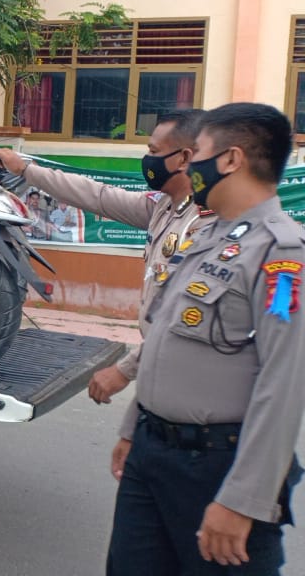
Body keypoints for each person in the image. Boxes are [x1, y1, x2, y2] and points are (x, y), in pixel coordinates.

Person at [105, 103, 305, 575]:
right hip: (151, 455)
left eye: (196, 155)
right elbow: (164, 340)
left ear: (231, 160)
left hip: (215, 465)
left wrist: (244, 500)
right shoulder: (207, 235)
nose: (186, 166)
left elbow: (285, 381)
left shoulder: (281, 256)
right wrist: (134, 427)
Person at [0, 110, 213, 405]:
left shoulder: (203, 223)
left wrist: (123, 371)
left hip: (193, 385)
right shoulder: (164, 207)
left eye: (153, 151)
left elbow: (181, 320)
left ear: (184, 158)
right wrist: (26, 171)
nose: (148, 160)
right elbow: (97, 196)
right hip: (160, 375)